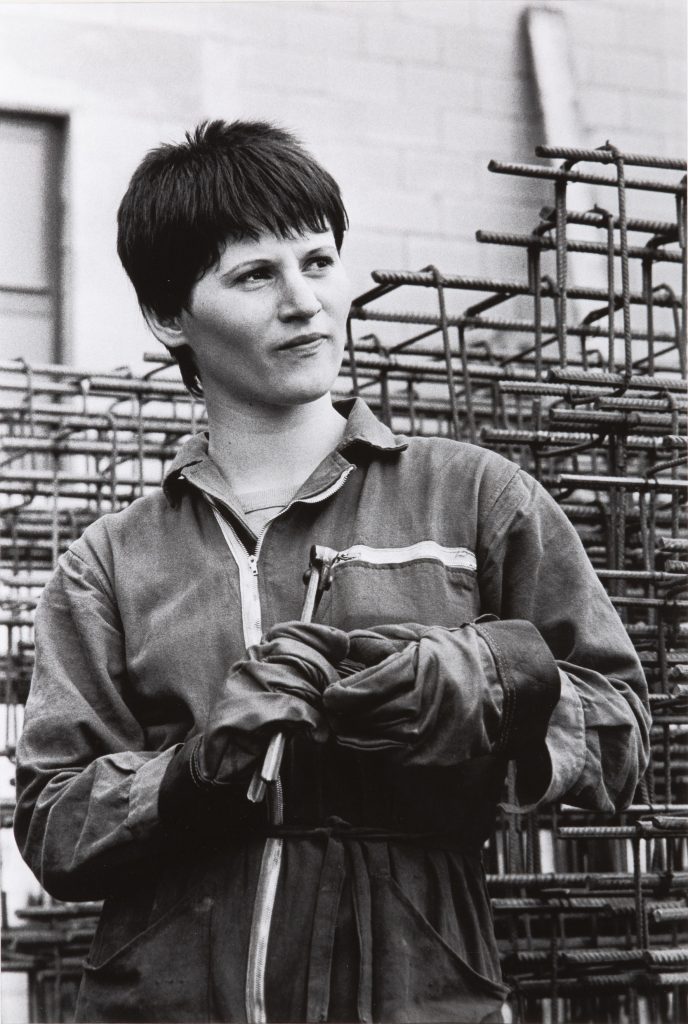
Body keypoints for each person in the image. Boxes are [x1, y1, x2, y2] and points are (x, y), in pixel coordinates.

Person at [14, 120, 650, 1024]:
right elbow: (51, 821)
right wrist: (193, 775)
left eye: (317, 261)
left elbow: (624, 725)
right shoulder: (111, 564)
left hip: (415, 991)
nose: (304, 301)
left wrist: (488, 686)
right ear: (168, 316)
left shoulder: (471, 498)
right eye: (254, 275)